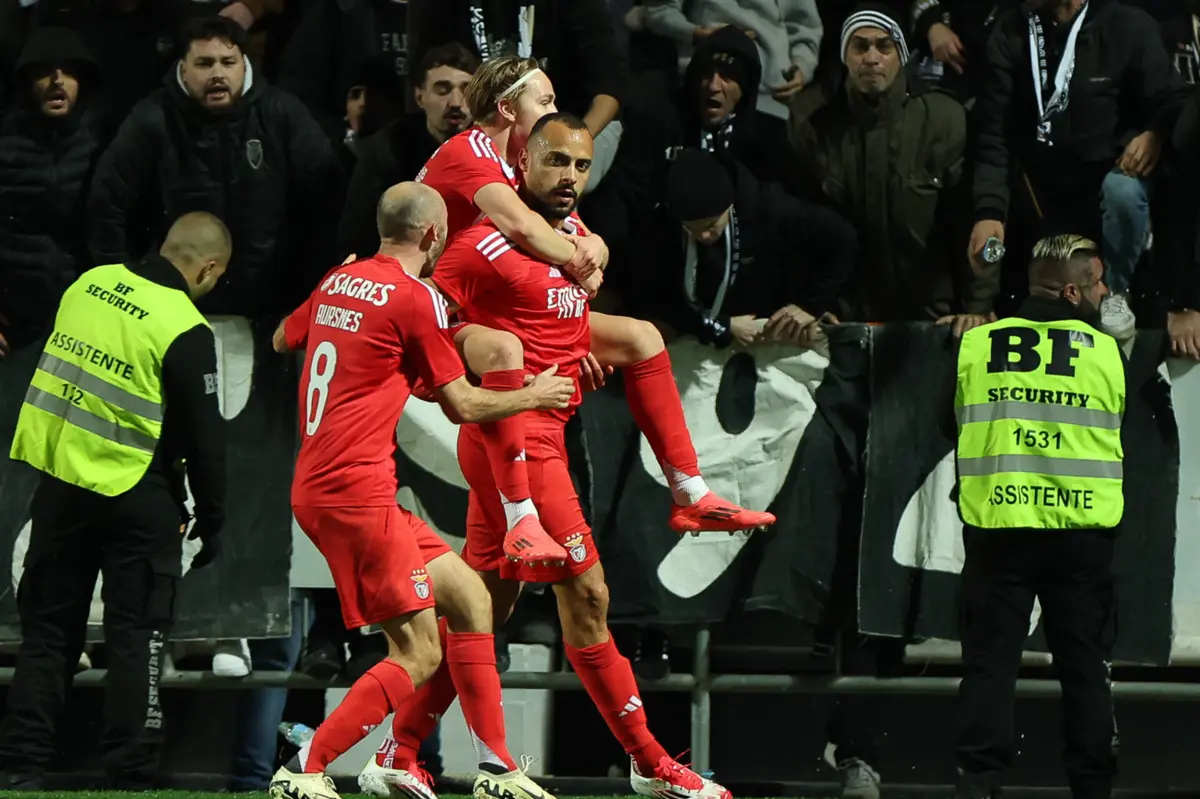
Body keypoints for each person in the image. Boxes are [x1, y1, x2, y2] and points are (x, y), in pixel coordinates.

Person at [371, 113, 733, 799]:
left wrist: (578, 352)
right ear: (525, 161)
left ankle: (398, 747)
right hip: (518, 446)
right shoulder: (480, 243)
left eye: (581, 166)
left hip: (540, 443)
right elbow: (426, 316)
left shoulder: (569, 240)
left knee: (484, 610)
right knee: (589, 596)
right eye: (556, 161)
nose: (569, 177)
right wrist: (476, 370)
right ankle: (651, 763)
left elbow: (556, 319)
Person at [267, 182, 574, 799]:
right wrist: (534, 394)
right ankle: (306, 768)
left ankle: (495, 770)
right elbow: (463, 404)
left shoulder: (337, 279)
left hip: (335, 488)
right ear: (433, 236)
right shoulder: (415, 299)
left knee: (470, 600)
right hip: (356, 495)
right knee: (418, 652)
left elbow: (282, 339)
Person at [416, 55, 776, 567]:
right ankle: (522, 518)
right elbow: (527, 231)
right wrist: (581, 264)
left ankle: (690, 492)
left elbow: (581, 241)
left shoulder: (524, 163)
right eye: (544, 100)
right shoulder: (470, 151)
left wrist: (593, 257)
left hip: (490, 311)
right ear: (505, 108)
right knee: (505, 351)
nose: (554, 109)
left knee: (641, 338)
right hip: (439, 316)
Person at [0, 212, 231, 791]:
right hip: (137, 492)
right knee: (138, 637)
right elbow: (205, 439)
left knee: (48, 637)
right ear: (207, 268)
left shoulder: (89, 284)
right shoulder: (185, 325)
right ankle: (129, 773)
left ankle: (20, 767)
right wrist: (214, 518)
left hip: (60, 487)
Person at [952, 234, 1123, 799]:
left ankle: (978, 787)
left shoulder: (978, 346)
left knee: (989, 668)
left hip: (1000, 530)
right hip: (1081, 538)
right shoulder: (1104, 352)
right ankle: (1092, 787)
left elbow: (946, 425)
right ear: (1073, 291)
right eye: (1097, 284)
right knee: (1084, 670)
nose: (1105, 293)